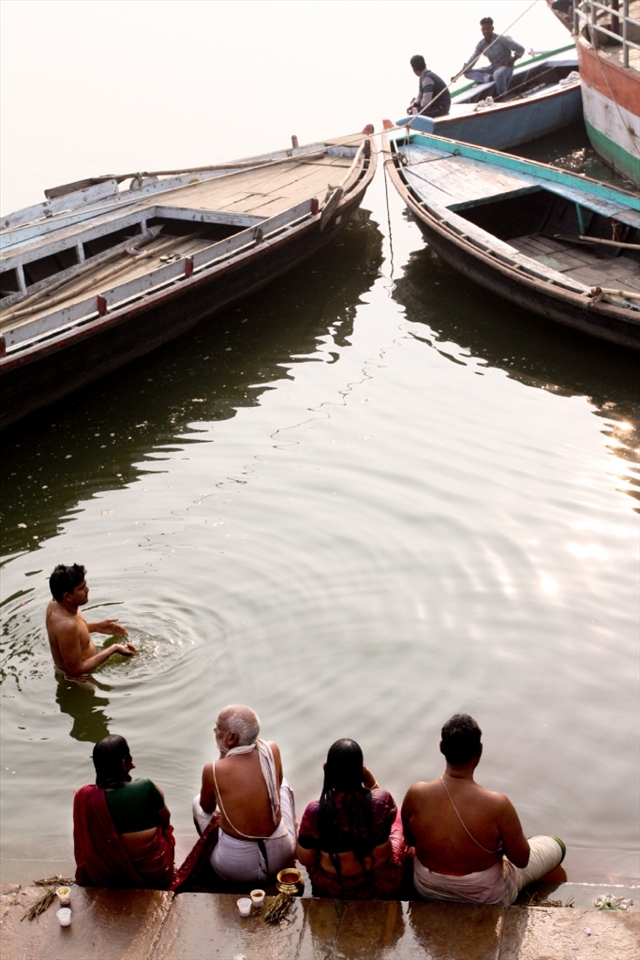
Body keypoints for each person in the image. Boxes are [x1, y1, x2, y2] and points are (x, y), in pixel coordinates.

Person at [402, 714, 565, 905]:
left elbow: (411, 841)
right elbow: (522, 860)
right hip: (485, 898)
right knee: (556, 844)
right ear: (480, 750)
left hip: (428, 889)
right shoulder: (498, 804)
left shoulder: (416, 793)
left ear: (441, 747)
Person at [192, 704, 297, 884]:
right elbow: (277, 785)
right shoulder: (271, 750)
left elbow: (207, 807)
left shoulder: (214, 769)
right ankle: (293, 829)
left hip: (236, 869)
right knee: (283, 785)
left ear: (232, 737)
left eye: (218, 728)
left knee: (196, 803)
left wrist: (224, 756)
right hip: (281, 855)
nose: (214, 730)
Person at [296, 738, 407, 899]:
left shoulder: (315, 811)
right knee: (398, 819)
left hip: (333, 887)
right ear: (362, 772)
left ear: (327, 770)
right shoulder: (382, 800)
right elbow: (386, 810)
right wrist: (372, 782)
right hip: (381, 882)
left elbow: (305, 859)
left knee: (308, 841)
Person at [73, 734, 175, 888]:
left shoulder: (86, 797)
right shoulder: (145, 786)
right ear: (124, 762)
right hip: (155, 874)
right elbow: (165, 822)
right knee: (158, 800)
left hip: (108, 876)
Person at [46, 563, 135, 680]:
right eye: (82, 588)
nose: (87, 590)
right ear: (67, 596)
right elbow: (76, 670)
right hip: (81, 680)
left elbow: (71, 637)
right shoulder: (66, 625)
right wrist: (114, 648)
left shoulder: (55, 604)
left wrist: (97, 627)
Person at [457, 17, 525, 98]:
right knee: (467, 73)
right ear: (481, 30)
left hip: (506, 67)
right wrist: (458, 75)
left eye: (488, 29)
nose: (486, 31)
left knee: (498, 74)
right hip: (493, 67)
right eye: (484, 29)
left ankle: (502, 95)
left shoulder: (501, 39)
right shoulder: (481, 44)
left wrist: (509, 62)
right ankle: (489, 78)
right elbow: (472, 60)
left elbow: (520, 49)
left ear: (492, 28)